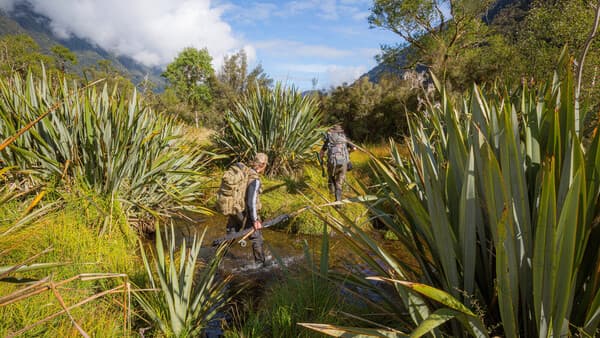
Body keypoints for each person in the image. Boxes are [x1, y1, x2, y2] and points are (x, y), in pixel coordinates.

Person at [225, 152, 269, 265]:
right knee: (256, 238)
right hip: (244, 213)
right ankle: (261, 265)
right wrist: (255, 221)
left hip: (234, 209)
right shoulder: (255, 180)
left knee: (231, 234)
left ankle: (220, 256)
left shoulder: (244, 172)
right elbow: (251, 203)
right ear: (263, 165)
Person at [319, 124, 356, 203]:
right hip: (343, 163)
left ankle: (331, 195)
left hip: (332, 163)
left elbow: (321, 152)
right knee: (339, 182)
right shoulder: (345, 138)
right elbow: (354, 149)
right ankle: (338, 201)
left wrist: (321, 160)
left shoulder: (329, 138)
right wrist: (348, 153)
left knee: (331, 177)